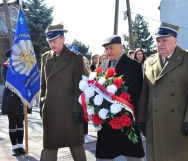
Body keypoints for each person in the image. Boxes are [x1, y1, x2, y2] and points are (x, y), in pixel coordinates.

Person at [137, 22, 188, 161]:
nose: (160, 44)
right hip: (155, 123)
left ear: (175, 40)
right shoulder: (150, 62)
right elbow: (145, 92)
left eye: (164, 40)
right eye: (158, 41)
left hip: (180, 123)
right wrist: (141, 118)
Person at [39, 24, 86, 161]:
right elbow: (43, 84)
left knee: (76, 146)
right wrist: (43, 104)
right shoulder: (45, 57)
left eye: (54, 41)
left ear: (63, 39)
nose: (51, 44)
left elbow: (80, 87)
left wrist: (78, 109)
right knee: (49, 148)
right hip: (51, 110)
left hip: (70, 111)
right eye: (49, 41)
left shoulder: (75, 57)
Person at [96, 35, 145, 161]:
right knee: (106, 154)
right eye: (106, 49)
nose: (108, 51)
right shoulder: (104, 65)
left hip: (126, 118)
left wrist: (138, 117)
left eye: (111, 48)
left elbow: (138, 92)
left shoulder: (134, 65)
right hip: (107, 120)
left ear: (121, 47)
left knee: (131, 154)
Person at [1, 50, 26, 156]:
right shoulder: (6, 67)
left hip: (21, 98)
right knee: (12, 122)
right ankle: (14, 147)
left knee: (20, 123)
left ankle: (20, 146)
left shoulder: (24, 67)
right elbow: (8, 80)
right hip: (11, 98)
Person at [83, 56, 95, 143]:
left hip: (88, 96)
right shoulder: (78, 72)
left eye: (87, 63)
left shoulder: (89, 72)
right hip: (81, 97)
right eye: (84, 63)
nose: (86, 64)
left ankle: (86, 134)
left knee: (86, 116)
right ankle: (82, 135)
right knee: (82, 116)